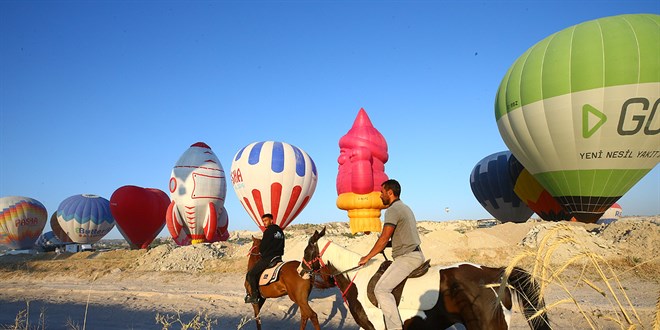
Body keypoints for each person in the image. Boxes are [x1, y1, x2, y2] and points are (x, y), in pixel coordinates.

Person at [358, 179, 424, 330]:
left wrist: (367, 257)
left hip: (408, 257)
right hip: (415, 253)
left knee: (381, 289)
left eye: (382, 192)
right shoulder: (405, 208)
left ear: (390, 192)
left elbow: (384, 238)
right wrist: (386, 245)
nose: (380, 196)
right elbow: (398, 237)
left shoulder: (392, 210)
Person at [245, 213, 285, 304]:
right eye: (263, 221)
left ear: (271, 220)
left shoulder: (268, 231)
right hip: (278, 257)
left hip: (268, 258)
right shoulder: (280, 231)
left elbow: (263, 246)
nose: (264, 223)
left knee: (251, 274)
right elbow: (282, 245)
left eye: (266, 220)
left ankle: (254, 296)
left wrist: (262, 253)